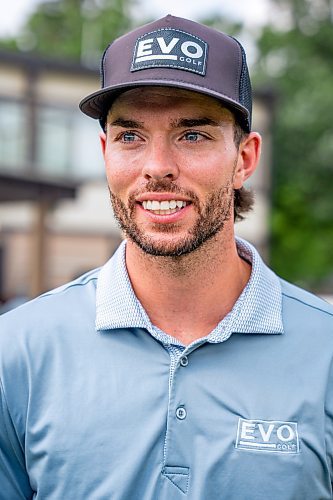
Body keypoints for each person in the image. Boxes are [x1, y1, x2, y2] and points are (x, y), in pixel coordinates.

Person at [0, 15, 332, 500]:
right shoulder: (17, 351)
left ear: (244, 158)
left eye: (192, 135)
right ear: (105, 152)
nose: (156, 168)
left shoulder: (325, 352)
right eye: (130, 136)